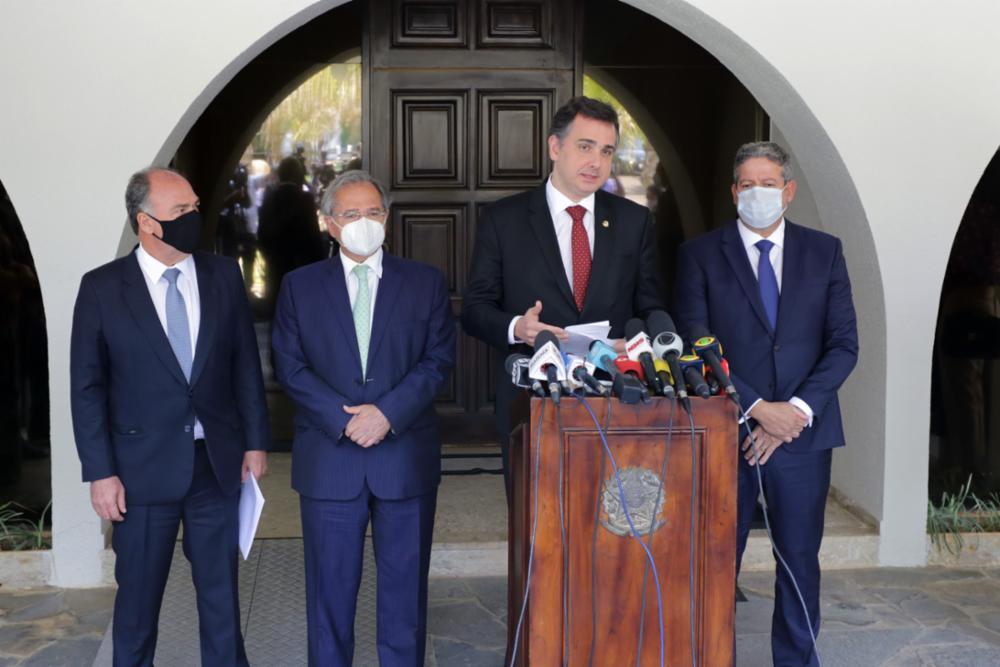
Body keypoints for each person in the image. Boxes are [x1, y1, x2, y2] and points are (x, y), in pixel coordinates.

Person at [70, 167, 270, 666]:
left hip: (215, 467)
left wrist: (256, 441)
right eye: (180, 212)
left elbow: (245, 364)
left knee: (222, 604)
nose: (194, 218)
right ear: (146, 222)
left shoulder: (223, 275)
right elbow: (87, 388)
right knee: (136, 611)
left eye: (195, 207)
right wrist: (100, 472)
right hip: (139, 474)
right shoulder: (102, 288)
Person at [673, 142, 859, 666]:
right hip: (725, 433)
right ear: (734, 192)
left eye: (769, 183)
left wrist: (792, 412)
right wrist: (756, 408)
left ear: (789, 191)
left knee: (799, 560)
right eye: (748, 184)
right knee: (715, 561)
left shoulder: (826, 252)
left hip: (803, 437)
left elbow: (844, 344)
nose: (758, 193)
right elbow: (694, 343)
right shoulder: (700, 254)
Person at [271, 170, 455, 666]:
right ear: (329, 223)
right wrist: (346, 418)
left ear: (387, 218)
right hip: (331, 460)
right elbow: (289, 365)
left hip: (404, 458)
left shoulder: (425, 282)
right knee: (329, 599)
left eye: (373, 212)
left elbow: (437, 359)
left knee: (404, 601)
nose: (364, 222)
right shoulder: (298, 287)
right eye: (351, 214)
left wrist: (387, 414)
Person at [461, 95, 664, 487]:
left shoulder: (633, 221)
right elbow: (475, 309)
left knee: (607, 525)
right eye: (584, 147)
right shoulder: (504, 219)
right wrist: (518, 328)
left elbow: (651, 304)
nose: (596, 162)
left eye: (606, 151)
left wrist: (639, 343)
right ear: (555, 147)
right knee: (537, 528)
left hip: (613, 393)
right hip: (532, 396)